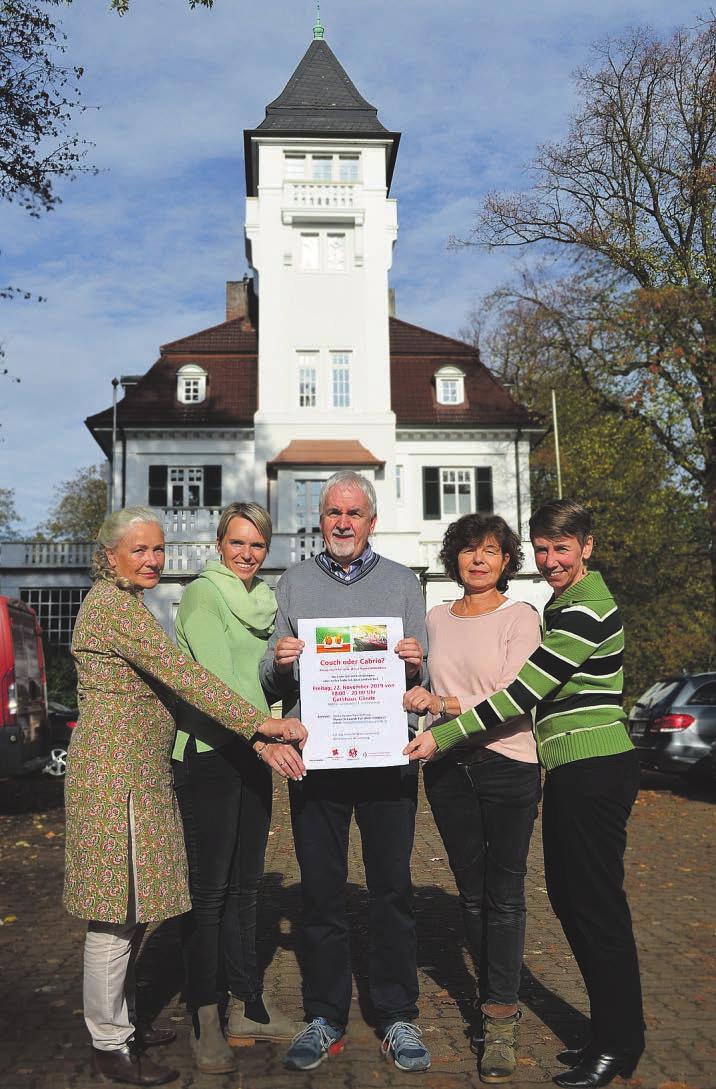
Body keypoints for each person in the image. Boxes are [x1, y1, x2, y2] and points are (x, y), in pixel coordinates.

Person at [405, 499, 644, 1089]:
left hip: (595, 764)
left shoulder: (585, 608)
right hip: (570, 767)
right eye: (543, 549)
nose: (551, 560)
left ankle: (619, 1042)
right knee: (571, 900)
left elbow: (521, 695)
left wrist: (445, 733)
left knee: (596, 908)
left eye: (562, 548)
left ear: (586, 546)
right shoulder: (563, 604)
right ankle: (608, 1033)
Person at [64, 507, 306, 1088]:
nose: (152, 559)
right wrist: (260, 726)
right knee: (114, 917)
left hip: (138, 774)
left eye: (158, 549)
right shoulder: (113, 609)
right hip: (113, 776)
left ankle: (124, 1023)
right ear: (111, 555)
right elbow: (185, 674)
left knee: (139, 907)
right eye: (139, 550)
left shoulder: (127, 605)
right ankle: (108, 1044)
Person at [259, 470, 432, 1073]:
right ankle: (325, 1014)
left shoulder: (404, 583)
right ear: (321, 518)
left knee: (391, 890)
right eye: (333, 512)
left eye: (354, 513)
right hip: (321, 758)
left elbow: (424, 681)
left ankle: (396, 1015)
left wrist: (416, 664)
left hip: (386, 758)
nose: (342, 523)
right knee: (322, 894)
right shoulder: (295, 582)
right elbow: (271, 679)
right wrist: (280, 662)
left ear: (371, 521)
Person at [403, 513, 542, 1083]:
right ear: (453, 559)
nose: (478, 560)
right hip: (448, 770)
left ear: (508, 560)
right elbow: (427, 685)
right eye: (467, 550)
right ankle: (491, 995)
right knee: (471, 893)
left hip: (509, 765)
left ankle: (500, 1018)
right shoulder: (435, 617)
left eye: (490, 551)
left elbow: (512, 700)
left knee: (504, 894)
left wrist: (440, 707)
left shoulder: (521, 617)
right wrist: (407, 676)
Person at [172, 503, 298, 1074]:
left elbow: (258, 680)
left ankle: (248, 1003)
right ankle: (204, 1014)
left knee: (247, 889)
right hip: (210, 755)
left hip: (251, 751)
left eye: (257, 545)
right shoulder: (203, 593)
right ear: (220, 543)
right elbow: (214, 682)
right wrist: (262, 736)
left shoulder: (265, 603)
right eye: (237, 543)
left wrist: (280, 699)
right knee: (211, 892)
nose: (246, 554)